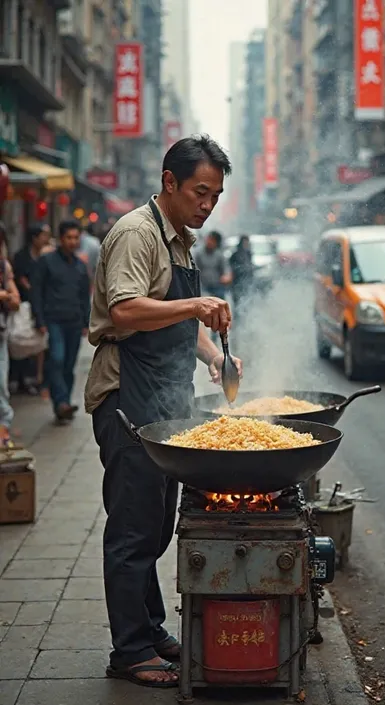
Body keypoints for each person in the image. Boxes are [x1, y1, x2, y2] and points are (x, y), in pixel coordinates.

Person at [84, 135, 242, 689]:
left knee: (152, 530)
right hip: (127, 397)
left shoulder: (180, 241)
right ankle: (128, 650)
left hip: (163, 399)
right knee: (132, 532)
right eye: (200, 191)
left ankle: (149, 629)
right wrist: (198, 304)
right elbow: (127, 310)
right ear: (169, 182)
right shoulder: (136, 233)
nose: (207, 204)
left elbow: (173, 320)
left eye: (216, 195)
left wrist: (215, 355)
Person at [31, 220, 90, 422]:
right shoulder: (46, 262)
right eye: (69, 238)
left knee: (69, 365)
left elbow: (84, 296)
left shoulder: (81, 266)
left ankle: (62, 404)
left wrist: (86, 322)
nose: (72, 242)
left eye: (75, 238)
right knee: (56, 359)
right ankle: (62, 402)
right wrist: (39, 319)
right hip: (53, 319)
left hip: (74, 321)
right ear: (61, 239)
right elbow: (36, 292)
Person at [11, 224, 52, 395]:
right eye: (44, 235)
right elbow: (21, 279)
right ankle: (17, 378)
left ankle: (35, 378)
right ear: (34, 238)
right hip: (22, 305)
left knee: (39, 344)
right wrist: (34, 290)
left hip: (41, 304)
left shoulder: (47, 255)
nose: (47, 239)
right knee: (20, 338)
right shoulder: (21, 256)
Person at [0, 221, 21, 447]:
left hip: (0, 334)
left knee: (1, 386)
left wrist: (7, 295)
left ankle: (2, 432)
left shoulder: (3, 266)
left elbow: (15, 299)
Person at [194, 230, 229, 300]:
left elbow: (226, 268)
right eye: (209, 239)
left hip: (217, 286)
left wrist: (226, 276)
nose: (209, 242)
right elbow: (194, 268)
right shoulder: (198, 253)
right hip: (203, 286)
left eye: (212, 240)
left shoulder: (219, 254)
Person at [229, 235, 254, 321]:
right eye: (245, 242)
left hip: (247, 283)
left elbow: (250, 266)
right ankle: (237, 320)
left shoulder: (249, 253)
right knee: (237, 303)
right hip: (237, 282)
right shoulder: (235, 254)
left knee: (246, 302)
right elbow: (231, 268)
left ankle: (245, 319)